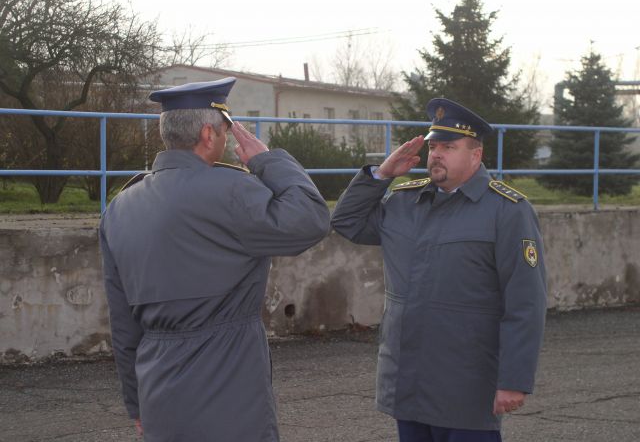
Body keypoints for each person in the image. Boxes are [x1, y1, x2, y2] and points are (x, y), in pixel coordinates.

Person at [99, 77, 330, 441]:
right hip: (231, 395)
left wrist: (136, 403)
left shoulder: (119, 208)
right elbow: (311, 219)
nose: (225, 139)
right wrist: (268, 161)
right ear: (208, 134)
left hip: (159, 398)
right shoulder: (233, 191)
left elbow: (124, 326)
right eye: (225, 130)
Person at [331, 98, 547, 442]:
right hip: (408, 378)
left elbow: (525, 301)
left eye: (449, 147)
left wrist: (514, 380)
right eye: (433, 147)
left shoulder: (507, 210)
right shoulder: (404, 202)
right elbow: (346, 221)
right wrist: (382, 175)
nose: (437, 155)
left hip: (467, 383)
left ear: (476, 154)